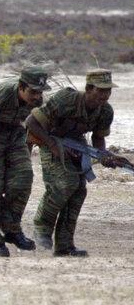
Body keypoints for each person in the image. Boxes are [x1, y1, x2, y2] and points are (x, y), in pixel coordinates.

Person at [26, 69, 120, 257]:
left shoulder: (106, 111)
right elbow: (31, 122)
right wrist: (52, 144)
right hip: (49, 140)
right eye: (100, 90)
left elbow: (98, 138)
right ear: (88, 88)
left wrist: (103, 155)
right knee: (64, 184)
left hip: (76, 146)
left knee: (79, 191)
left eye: (108, 90)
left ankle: (64, 246)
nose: (105, 95)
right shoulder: (66, 100)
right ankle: (42, 227)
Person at [0, 66, 49, 256]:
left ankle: (12, 230)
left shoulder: (36, 100)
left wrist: (23, 160)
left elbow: (30, 128)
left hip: (14, 139)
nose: (37, 97)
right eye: (32, 92)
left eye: (40, 92)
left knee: (23, 180)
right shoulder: (1, 94)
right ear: (21, 87)